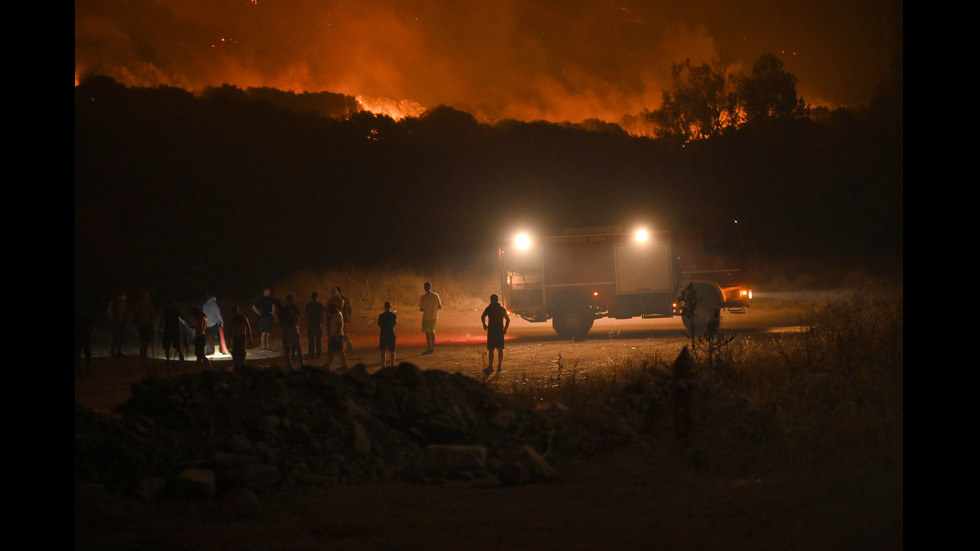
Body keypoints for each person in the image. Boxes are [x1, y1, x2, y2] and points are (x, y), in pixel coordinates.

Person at [481, 294, 511, 375]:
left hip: (492, 331)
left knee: (491, 349)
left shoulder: (489, 308)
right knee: (499, 349)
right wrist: (505, 329)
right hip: (499, 331)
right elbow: (508, 319)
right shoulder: (501, 309)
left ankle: (491, 366)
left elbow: (483, 316)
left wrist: (484, 325)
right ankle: (499, 366)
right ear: (497, 300)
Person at [160, 298, 187, 366]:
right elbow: (182, 316)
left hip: (169, 329)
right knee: (174, 345)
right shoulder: (174, 309)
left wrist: (160, 328)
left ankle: (170, 359)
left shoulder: (168, 309)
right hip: (173, 329)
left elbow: (162, 319)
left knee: (169, 345)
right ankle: (179, 357)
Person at [133, 291, 156, 369]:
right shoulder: (141, 305)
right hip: (144, 325)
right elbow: (137, 315)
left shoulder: (146, 305)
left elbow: (153, 314)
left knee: (145, 343)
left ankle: (144, 358)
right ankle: (143, 359)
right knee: (144, 342)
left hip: (146, 325)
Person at [280, 294, 304, 369]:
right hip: (294, 327)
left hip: (287, 328)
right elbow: (298, 318)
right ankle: (301, 362)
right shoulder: (295, 307)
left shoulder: (284, 309)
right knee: (297, 345)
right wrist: (297, 327)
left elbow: (283, 321)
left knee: (287, 347)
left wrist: (284, 330)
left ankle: (289, 363)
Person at [324, 302, 348, 372]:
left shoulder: (338, 315)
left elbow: (339, 325)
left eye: (330, 309)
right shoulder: (335, 314)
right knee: (332, 350)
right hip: (334, 335)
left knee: (340, 351)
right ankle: (328, 365)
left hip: (337, 336)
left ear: (333, 308)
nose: (329, 311)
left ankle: (344, 366)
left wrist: (337, 335)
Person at [419, 281, 442, 353]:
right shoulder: (436, 295)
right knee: (432, 332)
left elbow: (421, 309)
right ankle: (432, 347)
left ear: (424, 288)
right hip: (434, 316)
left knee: (427, 333)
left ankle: (429, 347)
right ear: (430, 287)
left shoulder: (423, 297)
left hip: (426, 317)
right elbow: (440, 306)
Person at [230, 305, 252, 369]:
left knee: (240, 350)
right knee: (238, 350)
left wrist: (250, 338)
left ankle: (241, 363)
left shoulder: (242, 318)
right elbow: (231, 330)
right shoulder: (241, 318)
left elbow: (248, 329)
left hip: (240, 336)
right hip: (238, 336)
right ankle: (238, 364)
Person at [107, 291, 129, 356]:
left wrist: (126, 318)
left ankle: (118, 351)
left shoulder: (122, 303)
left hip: (121, 322)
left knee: (120, 337)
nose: (124, 297)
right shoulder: (114, 303)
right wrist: (113, 320)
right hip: (116, 322)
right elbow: (111, 312)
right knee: (115, 337)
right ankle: (112, 351)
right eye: (123, 295)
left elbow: (124, 312)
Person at [305, 291, 325, 358]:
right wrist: (323, 323)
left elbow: (306, 315)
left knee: (311, 341)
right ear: (317, 297)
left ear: (312, 297)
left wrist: (306, 324)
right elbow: (323, 315)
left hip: (311, 324)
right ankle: (319, 354)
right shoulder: (320, 304)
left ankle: (311, 354)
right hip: (318, 324)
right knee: (318, 340)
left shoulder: (309, 305)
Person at [377, 301, 397, 367]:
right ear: (390, 307)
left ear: (384, 307)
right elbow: (394, 324)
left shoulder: (381, 316)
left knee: (383, 351)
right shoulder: (393, 316)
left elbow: (379, 324)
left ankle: (383, 366)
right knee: (392, 351)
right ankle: (392, 365)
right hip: (391, 333)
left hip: (383, 334)